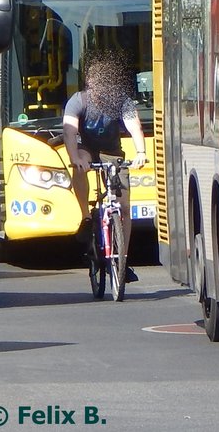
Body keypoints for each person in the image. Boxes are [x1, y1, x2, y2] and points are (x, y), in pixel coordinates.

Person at [62, 50, 147, 282]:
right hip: (86, 147)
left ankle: (122, 259)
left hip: (111, 151)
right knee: (80, 165)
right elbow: (69, 132)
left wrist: (141, 152)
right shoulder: (78, 101)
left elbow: (134, 126)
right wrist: (74, 158)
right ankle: (86, 216)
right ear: (90, 84)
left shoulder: (121, 100)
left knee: (124, 206)